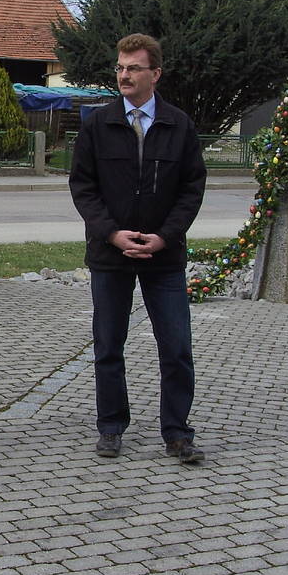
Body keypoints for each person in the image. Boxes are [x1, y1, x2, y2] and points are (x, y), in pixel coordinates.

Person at [68, 33, 207, 463]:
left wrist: (165, 236)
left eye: (133, 68)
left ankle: (177, 432)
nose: (124, 76)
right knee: (109, 345)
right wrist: (112, 234)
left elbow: (191, 189)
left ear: (155, 74)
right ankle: (111, 427)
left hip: (163, 258)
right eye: (120, 67)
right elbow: (83, 188)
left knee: (177, 347)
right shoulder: (97, 124)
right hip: (111, 256)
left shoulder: (179, 125)